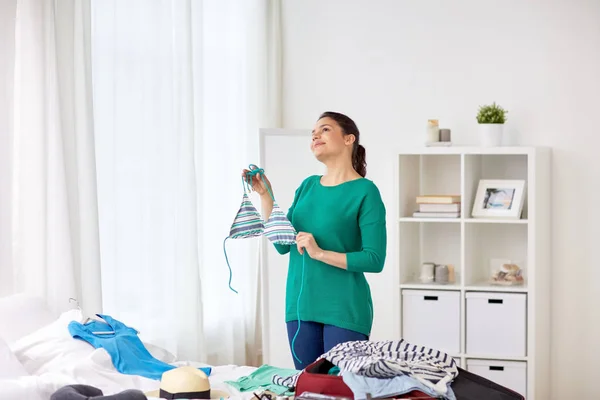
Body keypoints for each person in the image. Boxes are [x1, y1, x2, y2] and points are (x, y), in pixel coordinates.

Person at [243, 111, 387, 370]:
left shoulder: (366, 191)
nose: (315, 136)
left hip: (344, 310)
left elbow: (374, 259)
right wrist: (266, 196)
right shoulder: (307, 186)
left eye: (325, 130)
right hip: (300, 309)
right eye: (313, 134)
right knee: (307, 389)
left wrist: (320, 253)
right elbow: (282, 244)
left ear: (348, 139)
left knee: (339, 390)